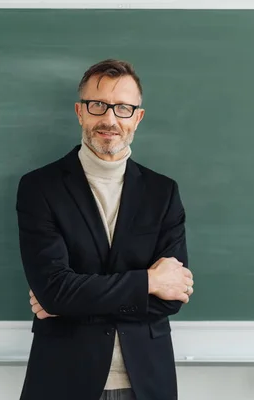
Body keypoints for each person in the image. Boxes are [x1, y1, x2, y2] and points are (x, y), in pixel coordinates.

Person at [15, 59, 194, 400]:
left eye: (123, 108)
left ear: (137, 118)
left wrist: (70, 299)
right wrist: (149, 282)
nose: (109, 119)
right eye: (98, 105)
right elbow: (54, 290)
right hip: (63, 380)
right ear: (80, 112)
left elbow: (172, 299)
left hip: (146, 382)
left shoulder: (163, 192)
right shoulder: (40, 187)